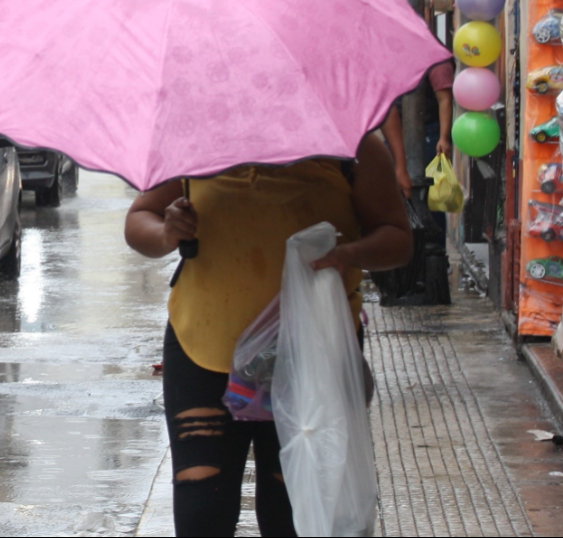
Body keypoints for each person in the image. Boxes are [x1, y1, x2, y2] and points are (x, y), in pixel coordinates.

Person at [123, 134, 412, 537]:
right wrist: (167, 232)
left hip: (312, 358)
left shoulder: (354, 144)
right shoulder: (194, 137)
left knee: (293, 513)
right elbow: (140, 220)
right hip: (203, 352)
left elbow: (398, 238)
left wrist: (349, 254)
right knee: (201, 512)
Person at [381, 59, 456, 199]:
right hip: (398, 133)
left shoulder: (436, 57)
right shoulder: (395, 56)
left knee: (427, 195)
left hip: (429, 133)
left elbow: (445, 99)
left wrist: (443, 138)